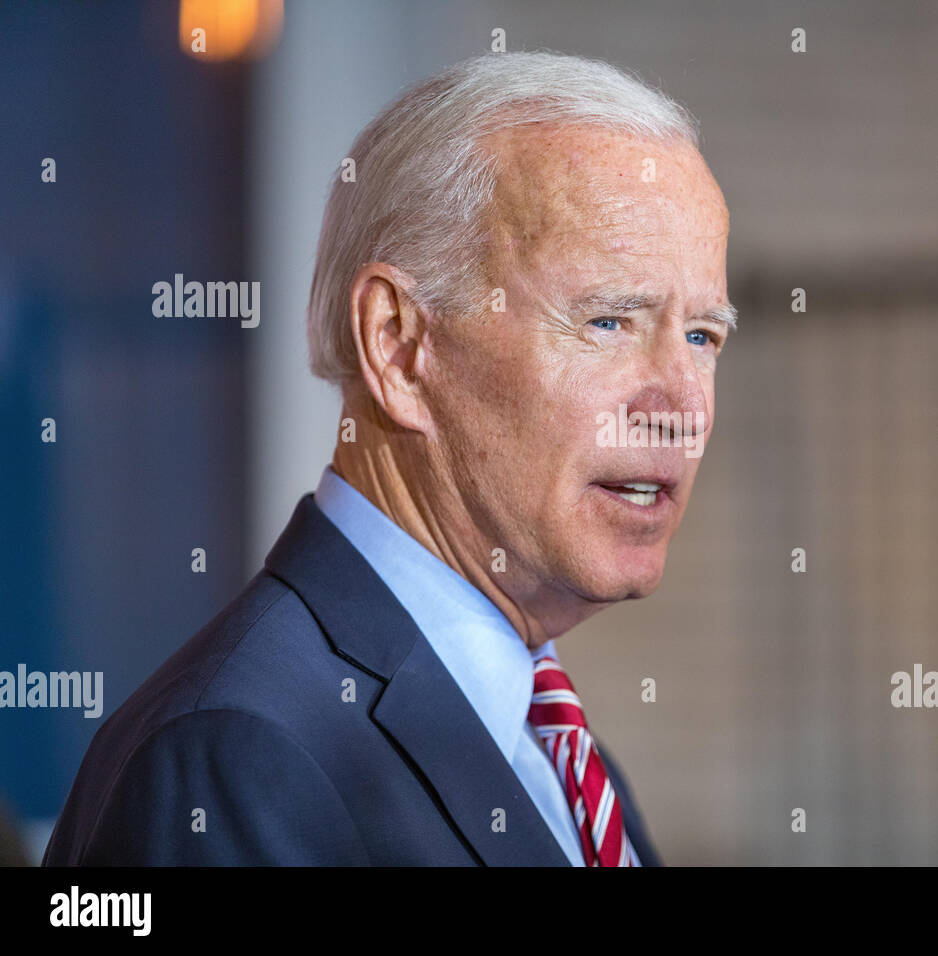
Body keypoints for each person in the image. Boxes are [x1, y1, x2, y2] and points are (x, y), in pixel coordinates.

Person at [43, 50, 734, 866]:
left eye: (702, 336)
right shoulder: (231, 759)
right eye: (610, 322)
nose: (683, 405)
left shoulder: (563, 758)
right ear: (399, 346)